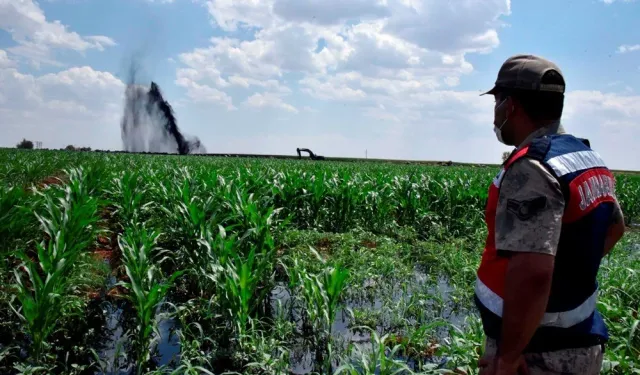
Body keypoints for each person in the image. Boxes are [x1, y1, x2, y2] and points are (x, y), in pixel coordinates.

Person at [474, 54, 627, 375]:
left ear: (511, 106)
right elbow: (616, 227)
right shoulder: (586, 156)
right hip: (577, 340)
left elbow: (532, 272)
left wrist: (508, 358)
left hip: (538, 352)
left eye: (497, 102)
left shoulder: (532, 168)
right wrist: (567, 280)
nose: (495, 112)